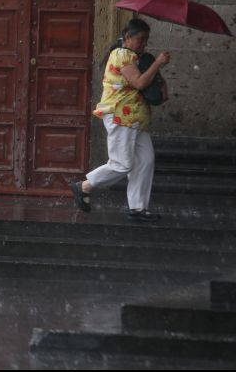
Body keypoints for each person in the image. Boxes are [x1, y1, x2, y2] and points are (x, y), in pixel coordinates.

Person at [72, 19, 171, 222]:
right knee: (121, 164)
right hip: (120, 116)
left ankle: (137, 207)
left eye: (146, 39)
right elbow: (139, 82)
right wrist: (158, 63)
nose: (144, 43)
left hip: (134, 119)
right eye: (140, 39)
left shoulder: (135, 56)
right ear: (127, 37)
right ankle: (84, 186)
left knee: (145, 160)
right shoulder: (122, 55)